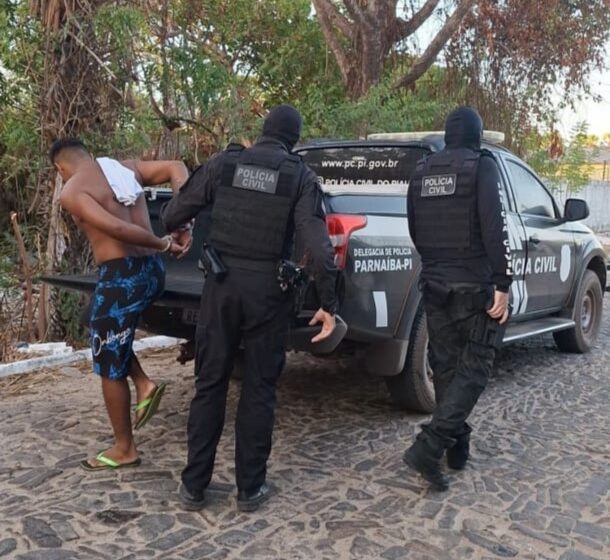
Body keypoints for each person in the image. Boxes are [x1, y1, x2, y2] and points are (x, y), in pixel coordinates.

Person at [161, 105, 338, 512]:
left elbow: (175, 210)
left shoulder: (227, 163)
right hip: (268, 295)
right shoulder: (299, 176)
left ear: (262, 132)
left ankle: (193, 487)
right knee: (259, 390)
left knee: (210, 384)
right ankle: (249, 489)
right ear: (294, 140)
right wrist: (329, 303)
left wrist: (180, 228)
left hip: (220, 287)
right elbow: (318, 247)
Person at [51, 138, 189, 471]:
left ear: (60, 168)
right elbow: (177, 168)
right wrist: (183, 222)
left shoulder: (72, 191)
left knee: (107, 360)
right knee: (96, 324)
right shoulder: (124, 169)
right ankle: (143, 382)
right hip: (153, 274)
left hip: (122, 277)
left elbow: (115, 227)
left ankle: (124, 448)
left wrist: (163, 242)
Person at [404, 106, 513, 491]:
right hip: (474, 289)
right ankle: (429, 446)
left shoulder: (421, 173)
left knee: (447, 368)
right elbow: (493, 225)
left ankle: (456, 447)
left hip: (435, 288)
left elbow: (414, 228)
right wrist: (503, 281)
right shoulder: (480, 167)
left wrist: (437, 266)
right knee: (476, 369)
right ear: (475, 135)